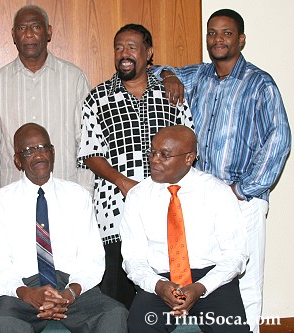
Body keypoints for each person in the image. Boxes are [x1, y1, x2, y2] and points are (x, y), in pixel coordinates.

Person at [155, 9, 291, 332]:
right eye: (212, 33)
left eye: (227, 33)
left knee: (246, 281)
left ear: (241, 39)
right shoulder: (198, 76)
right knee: (213, 280)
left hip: (243, 201)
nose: (218, 39)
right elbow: (157, 70)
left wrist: (241, 189)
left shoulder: (260, 83)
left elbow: (280, 138)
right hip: (204, 202)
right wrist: (169, 76)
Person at [76, 23, 194, 309]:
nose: (124, 54)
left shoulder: (172, 93)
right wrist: (123, 182)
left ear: (148, 53)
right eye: (118, 48)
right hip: (116, 206)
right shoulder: (97, 96)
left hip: (166, 206)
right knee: (118, 295)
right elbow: (91, 153)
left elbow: (189, 145)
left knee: (164, 291)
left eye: (131, 47)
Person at [0, 123, 128, 332]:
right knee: (6, 323)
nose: (39, 155)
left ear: (53, 152)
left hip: (72, 288)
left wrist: (71, 292)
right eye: (29, 151)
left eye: (43, 148)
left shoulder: (78, 196)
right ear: (17, 160)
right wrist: (28, 294)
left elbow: (91, 258)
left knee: (114, 313)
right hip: (22, 291)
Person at [120, 125, 249, 332]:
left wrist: (201, 287)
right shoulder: (138, 196)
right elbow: (133, 258)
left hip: (211, 280)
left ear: (189, 158)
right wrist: (158, 285)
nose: (154, 160)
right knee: (140, 325)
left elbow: (236, 255)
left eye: (165, 155)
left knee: (232, 329)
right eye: (152, 152)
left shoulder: (217, 192)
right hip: (161, 281)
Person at [0, 4, 93, 195]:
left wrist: (85, 193)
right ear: (13, 35)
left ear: (48, 32)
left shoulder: (73, 78)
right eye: (21, 28)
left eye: (36, 27)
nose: (28, 34)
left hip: (66, 193)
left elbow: (85, 142)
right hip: (13, 196)